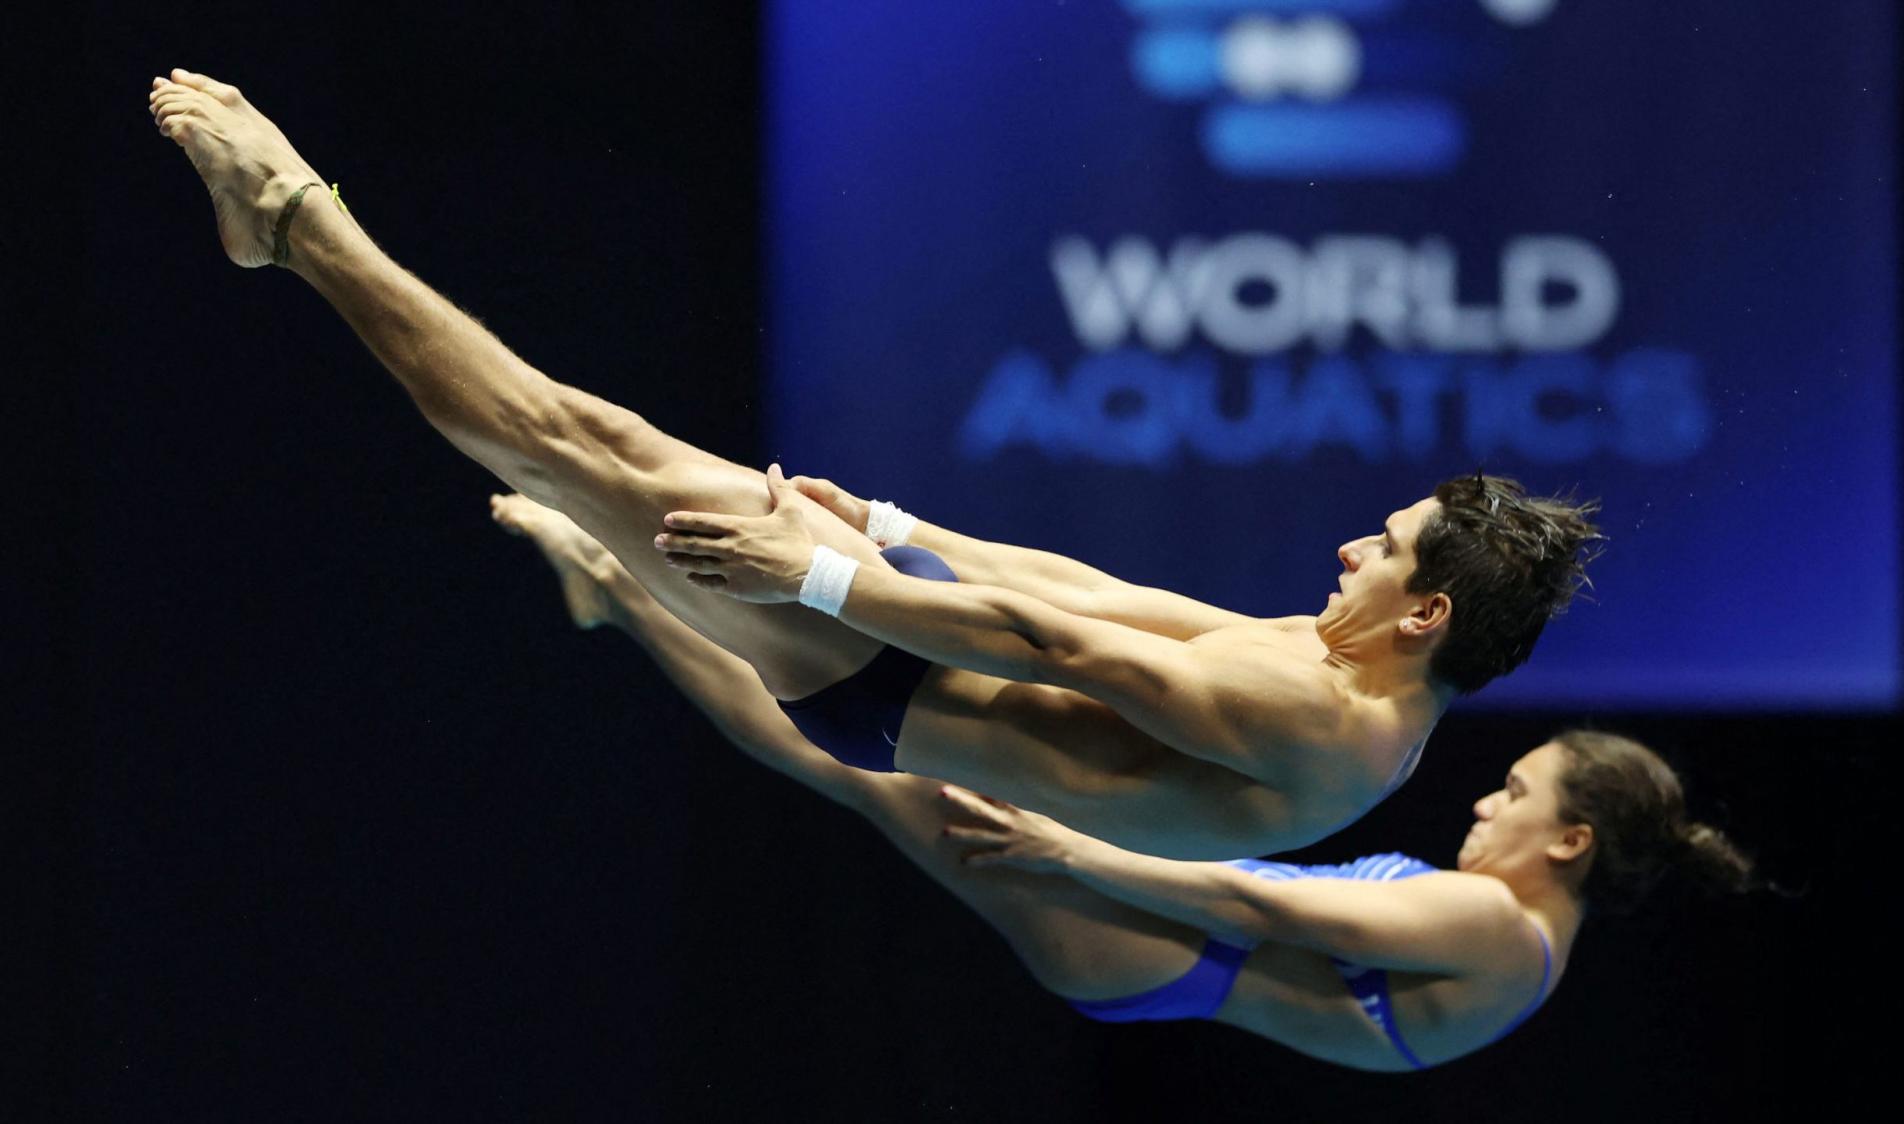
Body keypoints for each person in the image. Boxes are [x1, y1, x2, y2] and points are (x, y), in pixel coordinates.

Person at [149, 70, 1601, 859]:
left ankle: (293, 216)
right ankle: (297, 242)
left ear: (1429, 614)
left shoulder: (1320, 716)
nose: (1352, 548)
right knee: (592, 450)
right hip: (899, 653)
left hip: (883, 673)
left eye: (1384, 548)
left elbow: (1052, 645)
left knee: (571, 440)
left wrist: (828, 578)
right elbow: (1103, 597)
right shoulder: (1338, 669)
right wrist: (898, 526)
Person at [493, 494, 1751, 1070]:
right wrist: (899, 532)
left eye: (1515, 796)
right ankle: (620, 591)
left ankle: (620, 589)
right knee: (861, 766)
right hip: (1155, 936)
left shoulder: (1497, 928)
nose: (1484, 803)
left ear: (1571, 843)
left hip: (1149, 942)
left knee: (860, 768)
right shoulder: (1512, 951)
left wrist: (1074, 852)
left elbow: (1258, 904)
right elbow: (1120, 610)